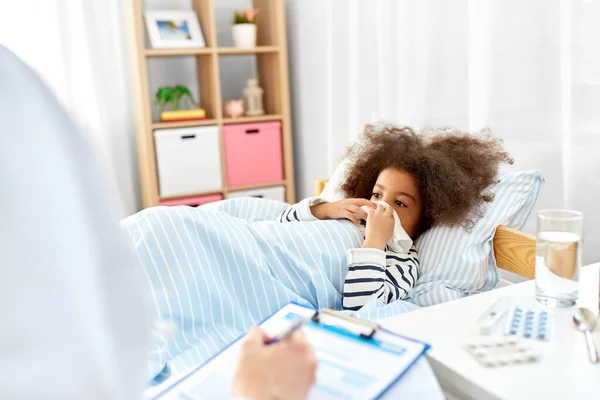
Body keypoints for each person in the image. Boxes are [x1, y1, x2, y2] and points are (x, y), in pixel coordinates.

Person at [0, 45, 316, 399]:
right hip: (170, 242)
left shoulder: (16, 93)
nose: (377, 206)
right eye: (378, 194)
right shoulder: (15, 99)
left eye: (394, 202)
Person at [277, 125, 512, 310]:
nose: (381, 205)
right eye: (377, 193)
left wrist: (375, 243)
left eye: (400, 203)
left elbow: (361, 305)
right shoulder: (345, 215)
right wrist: (325, 210)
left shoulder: (403, 260)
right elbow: (281, 225)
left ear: (424, 219)